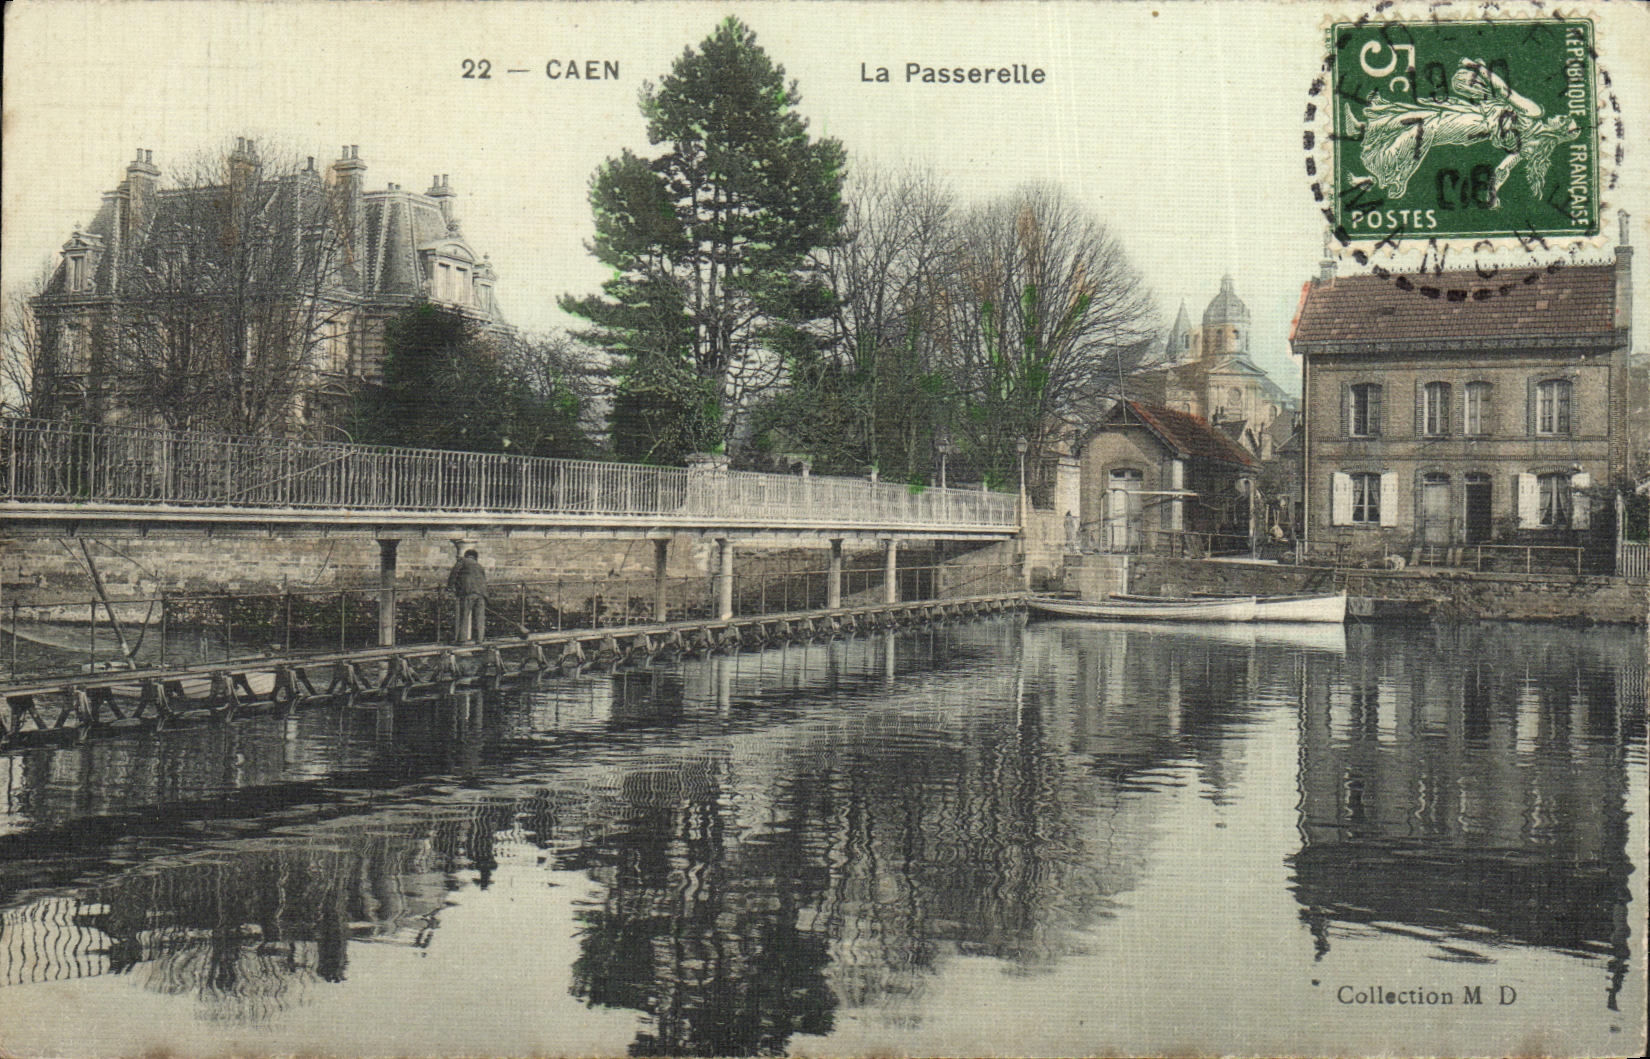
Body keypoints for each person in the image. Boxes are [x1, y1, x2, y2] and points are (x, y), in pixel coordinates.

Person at [447, 548, 488, 643]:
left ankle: (462, 639)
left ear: (466, 555)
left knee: (464, 616)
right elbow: (484, 581)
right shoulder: (479, 566)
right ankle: (480, 639)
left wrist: (450, 586)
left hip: (468, 593)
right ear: (475, 557)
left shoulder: (462, 561)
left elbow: (453, 574)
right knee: (479, 617)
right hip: (481, 594)